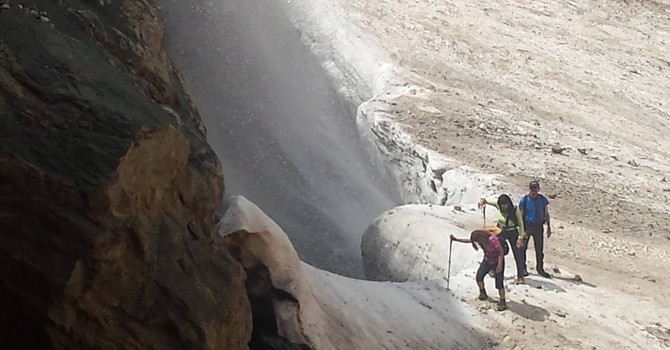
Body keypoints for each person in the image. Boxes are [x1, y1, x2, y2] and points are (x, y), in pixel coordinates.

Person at [450, 230, 507, 311]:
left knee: (499, 283)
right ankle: (483, 293)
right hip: (487, 260)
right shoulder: (481, 241)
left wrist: (499, 265)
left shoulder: (493, 240)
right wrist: (456, 239)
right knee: (479, 277)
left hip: (497, 261)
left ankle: (503, 301)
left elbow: (501, 252)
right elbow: (468, 241)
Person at [478, 194, 528, 284]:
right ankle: (494, 270)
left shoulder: (514, 209)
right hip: (500, 231)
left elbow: (520, 224)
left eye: (505, 204)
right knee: (496, 250)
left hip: (512, 231)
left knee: (518, 253)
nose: (503, 206)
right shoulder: (498, 204)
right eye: (501, 205)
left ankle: (520, 276)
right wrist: (482, 200)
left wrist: (520, 237)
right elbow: (487, 200)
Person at [518, 180, 552, 278]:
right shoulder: (524, 200)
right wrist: (521, 230)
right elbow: (520, 215)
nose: (533, 191)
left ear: (538, 189)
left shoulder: (542, 199)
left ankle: (540, 268)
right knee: (523, 248)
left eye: (535, 189)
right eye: (532, 189)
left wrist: (549, 227)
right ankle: (523, 268)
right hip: (527, 226)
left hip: (538, 226)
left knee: (539, 248)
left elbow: (546, 213)